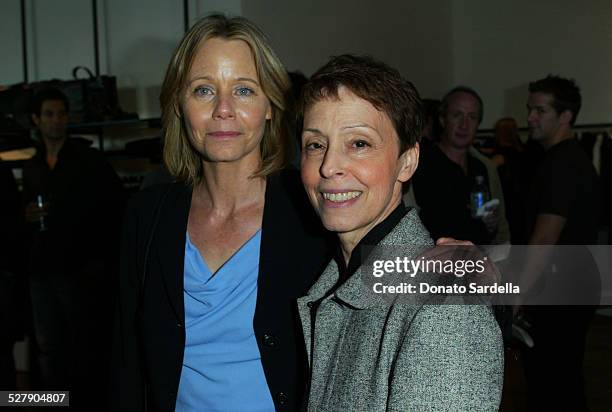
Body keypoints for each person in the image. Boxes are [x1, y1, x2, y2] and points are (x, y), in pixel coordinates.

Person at [110, 15, 331, 412]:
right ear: (180, 105)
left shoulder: (314, 209)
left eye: (244, 90)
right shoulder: (146, 216)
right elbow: (126, 360)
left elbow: (400, 282)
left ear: (270, 106)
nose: (223, 109)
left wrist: (464, 264)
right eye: (203, 90)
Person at [297, 55, 503, 411]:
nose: (329, 166)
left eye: (359, 144)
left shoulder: (444, 305)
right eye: (316, 144)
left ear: (407, 162)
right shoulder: (338, 276)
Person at [22, 88, 125, 401]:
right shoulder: (33, 165)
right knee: (48, 345)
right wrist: (25, 215)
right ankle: (56, 400)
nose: (56, 121)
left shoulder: (88, 161)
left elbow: (115, 207)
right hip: (41, 267)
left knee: (84, 342)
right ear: (36, 120)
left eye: (61, 114)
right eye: (49, 114)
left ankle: (86, 401)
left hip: (78, 268)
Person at [519, 75, 600, 411]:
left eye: (540, 110)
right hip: (571, 283)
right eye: (530, 109)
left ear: (565, 116)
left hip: (561, 288)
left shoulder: (564, 163)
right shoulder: (561, 158)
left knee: (553, 382)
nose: (530, 117)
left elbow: (544, 239)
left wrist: (516, 295)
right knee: (562, 378)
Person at [412, 86, 509, 245]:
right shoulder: (421, 164)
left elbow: (488, 227)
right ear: (443, 119)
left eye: (472, 117)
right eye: (457, 115)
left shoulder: (481, 167)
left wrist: (491, 225)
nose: (464, 125)